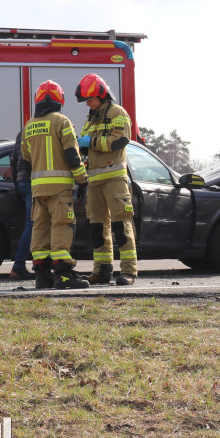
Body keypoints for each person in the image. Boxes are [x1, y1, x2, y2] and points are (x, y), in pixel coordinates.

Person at [22, 80, 89, 290]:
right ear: (60, 100)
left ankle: (42, 276)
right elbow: (72, 154)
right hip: (59, 188)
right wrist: (82, 180)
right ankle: (64, 275)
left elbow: (26, 159)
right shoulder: (61, 121)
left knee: (40, 228)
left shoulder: (29, 125)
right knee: (61, 226)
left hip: (37, 189)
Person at [75, 73, 137, 286]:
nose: (88, 104)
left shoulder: (117, 113)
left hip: (114, 179)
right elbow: (87, 147)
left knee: (121, 225)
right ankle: (101, 271)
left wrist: (89, 142)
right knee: (97, 228)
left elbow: (119, 140)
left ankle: (128, 271)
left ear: (101, 95)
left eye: (90, 99)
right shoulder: (90, 118)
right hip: (94, 180)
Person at [7, 130, 35, 279]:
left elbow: (13, 161)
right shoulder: (49, 127)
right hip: (34, 181)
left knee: (34, 224)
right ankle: (19, 266)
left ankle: (39, 264)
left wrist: (17, 185)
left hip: (23, 182)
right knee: (34, 224)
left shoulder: (23, 132)